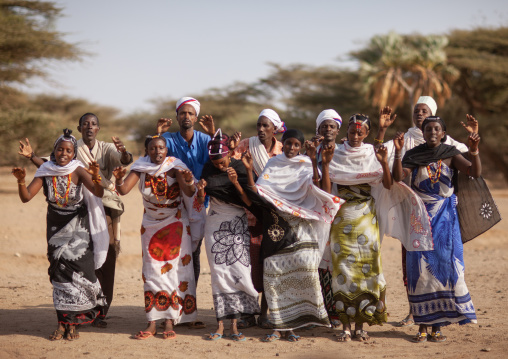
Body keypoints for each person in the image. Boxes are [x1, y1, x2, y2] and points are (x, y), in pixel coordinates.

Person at [313, 114, 433, 342]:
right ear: (345, 131)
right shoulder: (336, 153)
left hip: (367, 219)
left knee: (367, 268)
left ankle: (360, 325)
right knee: (342, 272)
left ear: (367, 134)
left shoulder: (371, 153)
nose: (356, 136)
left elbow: (388, 184)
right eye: (352, 132)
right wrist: (326, 165)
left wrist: (382, 161)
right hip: (342, 219)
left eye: (360, 133)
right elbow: (328, 191)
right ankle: (345, 326)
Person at [18, 113, 133, 327]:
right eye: (85, 124)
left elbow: (124, 161)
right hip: (74, 206)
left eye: (94, 124)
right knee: (77, 259)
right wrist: (32, 156)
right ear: (79, 128)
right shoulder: (71, 146)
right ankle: (77, 311)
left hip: (103, 205)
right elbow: (51, 164)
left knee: (105, 251)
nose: (90, 127)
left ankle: (101, 309)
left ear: (98, 128)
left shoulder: (106, 148)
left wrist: (124, 152)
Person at [376, 97, 475, 327]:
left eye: (425, 111)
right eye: (417, 111)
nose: (420, 114)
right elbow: (382, 156)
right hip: (414, 209)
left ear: (440, 128)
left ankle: (443, 314)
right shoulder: (407, 141)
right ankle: (417, 312)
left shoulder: (448, 144)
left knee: (444, 262)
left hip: (444, 214)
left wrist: (474, 147)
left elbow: (468, 161)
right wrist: (383, 133)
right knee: (414, 265)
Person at [242, 129, 342, 342]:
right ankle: (278, 326)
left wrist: (316, 161)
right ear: (283, 143)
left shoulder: (306, 164)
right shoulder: (273, 164)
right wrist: (250, 171)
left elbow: (320, 189)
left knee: (302, 270)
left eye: (296, 145)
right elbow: (258, 192)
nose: (292, 148)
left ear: (301, 146)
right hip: (276, 225)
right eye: (289, 143)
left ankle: (293, 325)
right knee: (273, 274)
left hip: (300, 225)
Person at [12, 129, 108, 341]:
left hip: (79, 230)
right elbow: (26, 197)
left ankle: (73, 324)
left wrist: (95, 176)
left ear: (74, 154)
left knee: (82, 275)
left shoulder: (79, 170)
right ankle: (62, 323)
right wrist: (21, 180)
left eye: (68, 150)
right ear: (53, 152)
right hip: (56, 229)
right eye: (60, 149)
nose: (64, 153)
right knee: (59, 276)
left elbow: (99, 193)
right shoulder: (45, 170)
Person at [393, 116, 480, 342]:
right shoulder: (414, 155)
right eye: (428, 128)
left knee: (444, 268)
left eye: (437, 129)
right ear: (422, 132)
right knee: (419, 271)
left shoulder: (450, 153)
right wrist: (397, 153)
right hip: (419, 219)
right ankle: (422, 325)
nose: (432, 131)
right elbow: (396, 177)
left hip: (446, 221)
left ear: (443, 133)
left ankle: (437, 326)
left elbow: (474, 172)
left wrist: (474, 151)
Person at [113, 135, 198, 340]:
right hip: (150, 225)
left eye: (161, 148)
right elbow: (123, 190)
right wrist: (117, 178)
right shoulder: (141, 167)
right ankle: (151, 322)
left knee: (173, 271)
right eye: (153, 148)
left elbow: (188, 191)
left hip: (175, 223)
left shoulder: (175, 167)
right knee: (150, 271)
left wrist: (189, 182)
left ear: (166, 150)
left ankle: (169, 320)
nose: (157, 152)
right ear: (147, 151)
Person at [156, 98, 214, 331]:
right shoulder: (168, 139)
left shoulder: (206, 140)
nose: (186, 117)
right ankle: (170, 309)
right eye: (182, 113)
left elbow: (218, 162)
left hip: (199, 203)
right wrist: (156, 133)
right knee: (171, 256)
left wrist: (214, 134)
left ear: (195, 117)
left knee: (193, 255)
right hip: (172, 204)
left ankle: (188, 308)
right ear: (177, 116)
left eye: (190, 113)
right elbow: (153, 156)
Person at [198, 129, 261, 341]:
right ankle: (220, 325)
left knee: (239, 271)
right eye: (215, 163)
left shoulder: (239, 167)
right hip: (214, 222)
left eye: (222, 161)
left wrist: (235, 183)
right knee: (219, 274)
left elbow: (248, 201)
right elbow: (200, 200)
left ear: (228, 155)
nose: (219, 166)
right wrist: (201, 190)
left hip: (237, 223)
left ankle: (235, 325)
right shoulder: (208, 167)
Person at [230, 108, 285, 329]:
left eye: (265, 126)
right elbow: (231, 168)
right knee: (247, 265)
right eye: (258, 125)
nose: (261, 130)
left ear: (275, 129)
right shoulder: (245, 146)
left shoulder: (283, 151)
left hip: (273, 217)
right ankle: (247, 312)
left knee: (269, 265)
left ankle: (265, 313)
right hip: (248, 214)